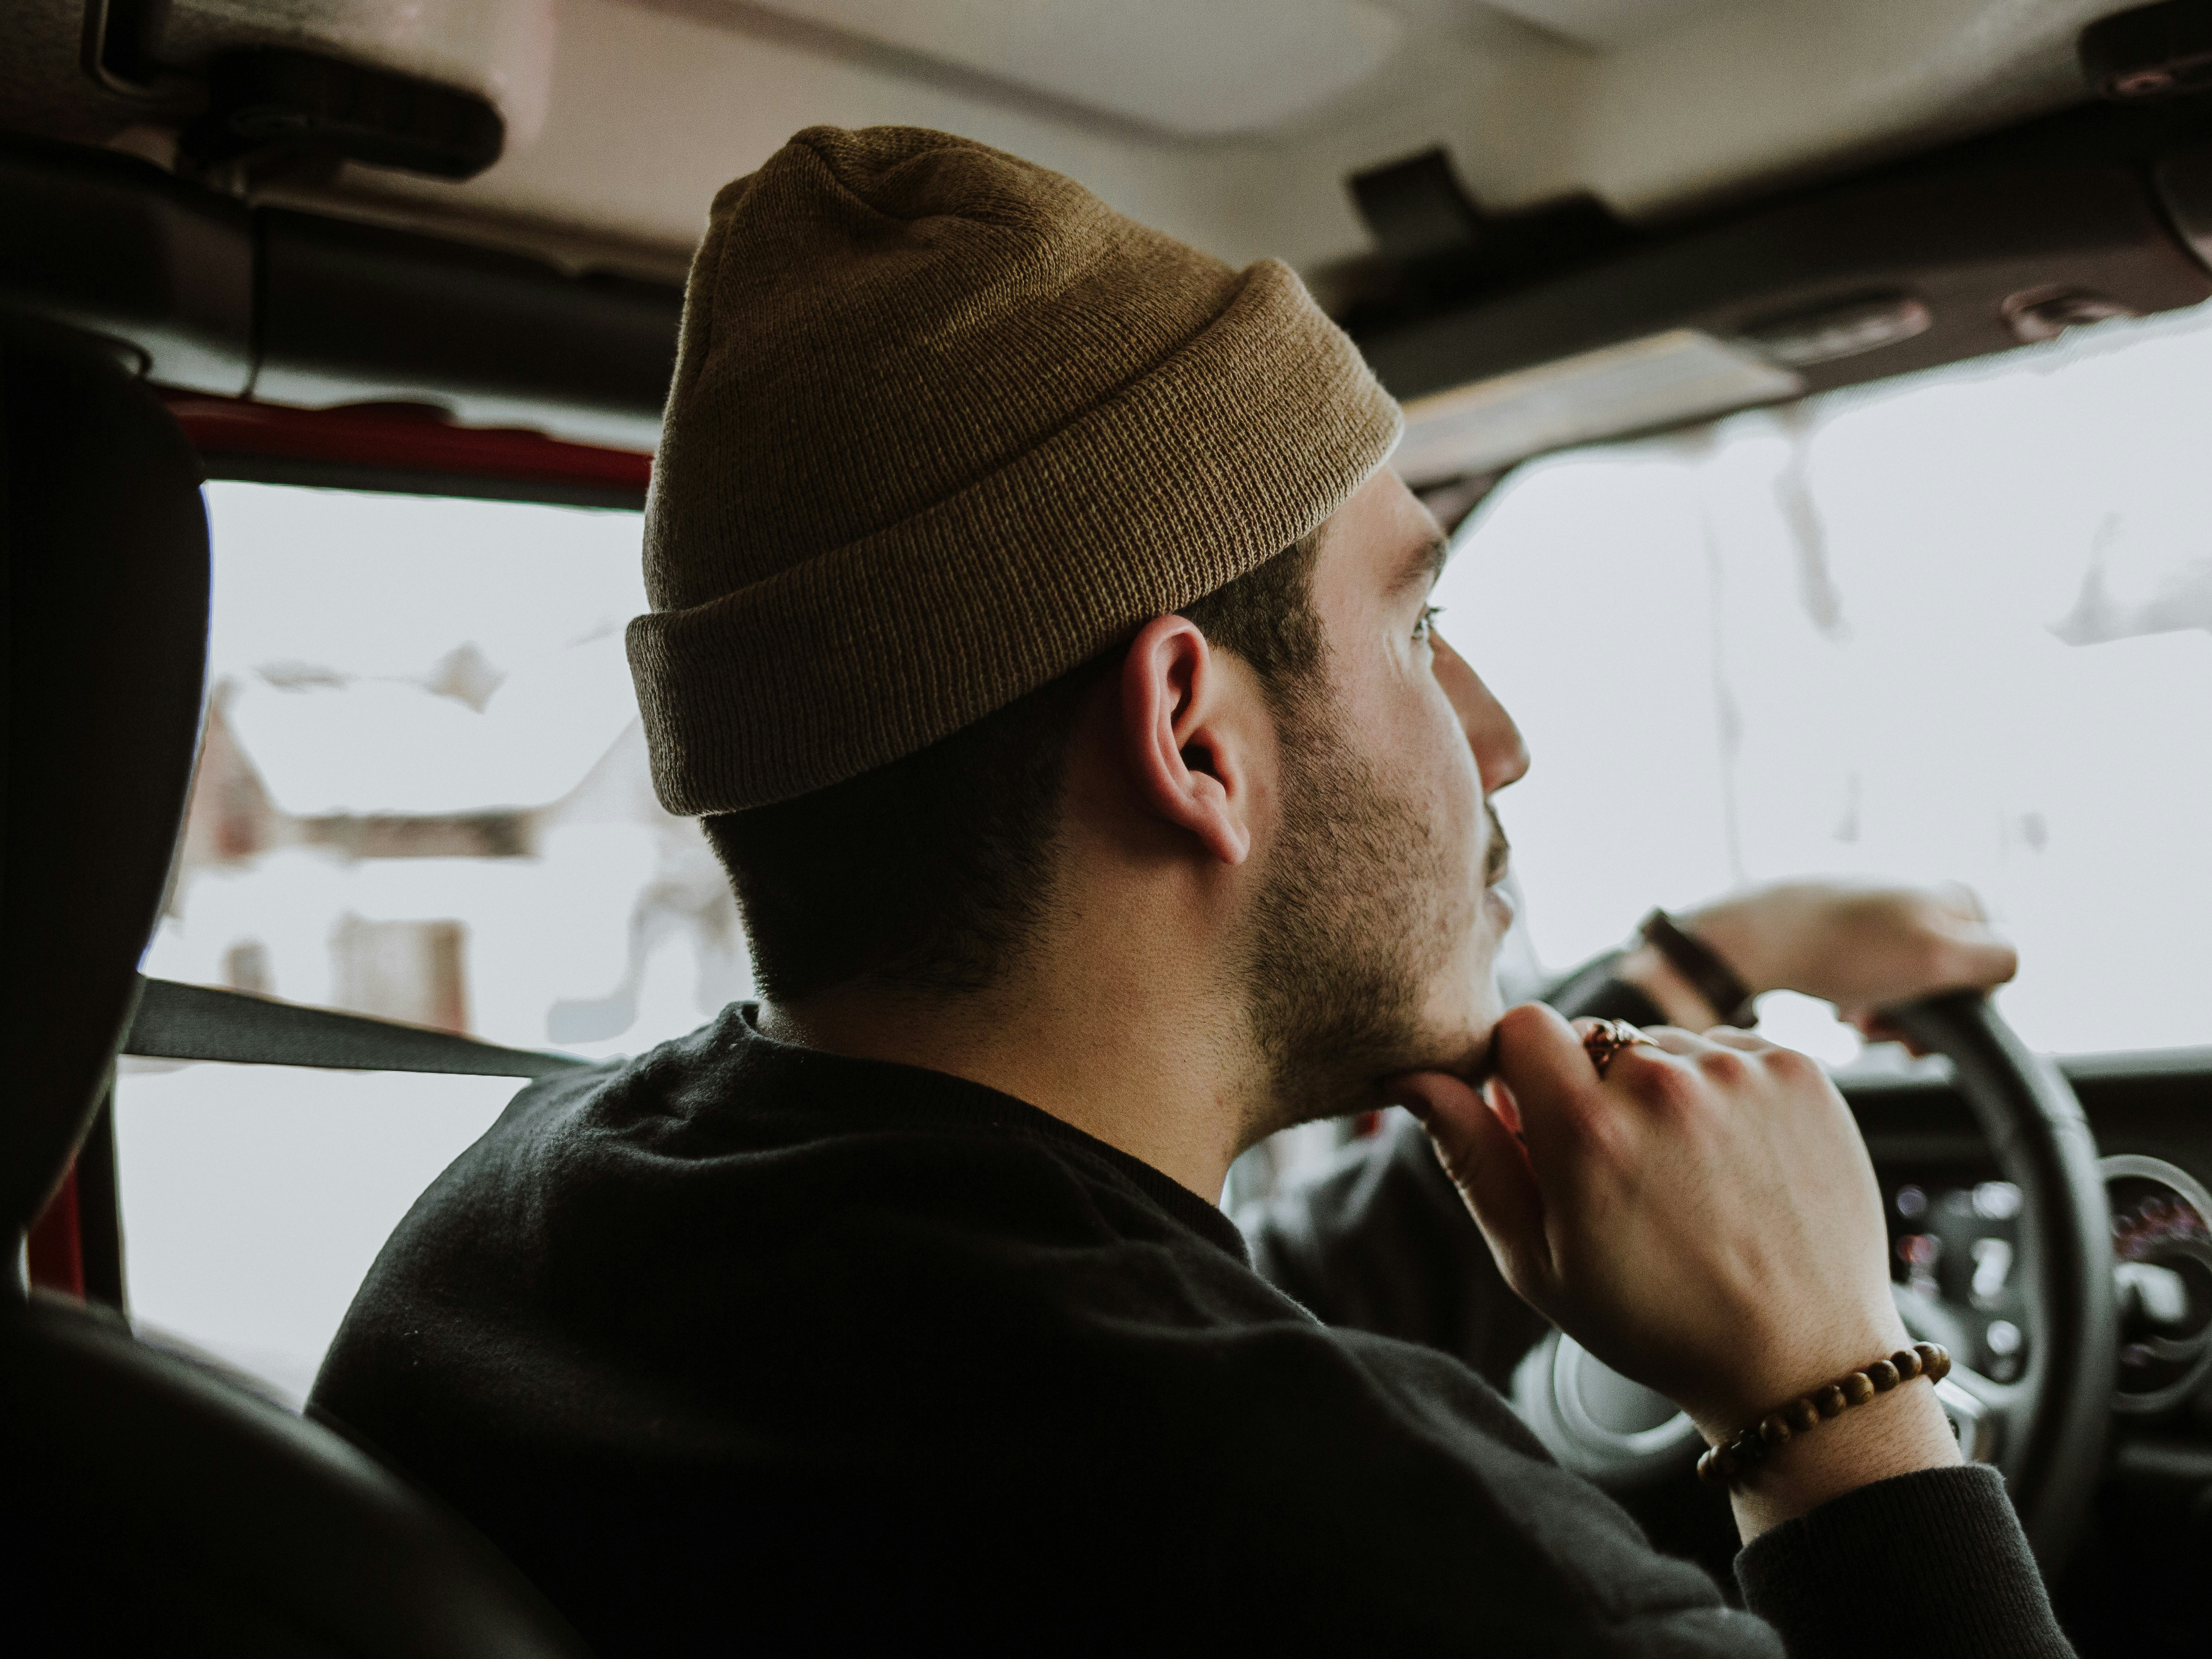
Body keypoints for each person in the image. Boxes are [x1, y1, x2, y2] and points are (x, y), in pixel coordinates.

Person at [312, 127, 2062, 1656]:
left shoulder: (531, 1228)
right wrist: (1833, 1394)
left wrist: (1706, 964)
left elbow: (1213, 1297)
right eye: (1420, 628)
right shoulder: (1387, 1564)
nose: (1500, 741)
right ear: (1192, 737)